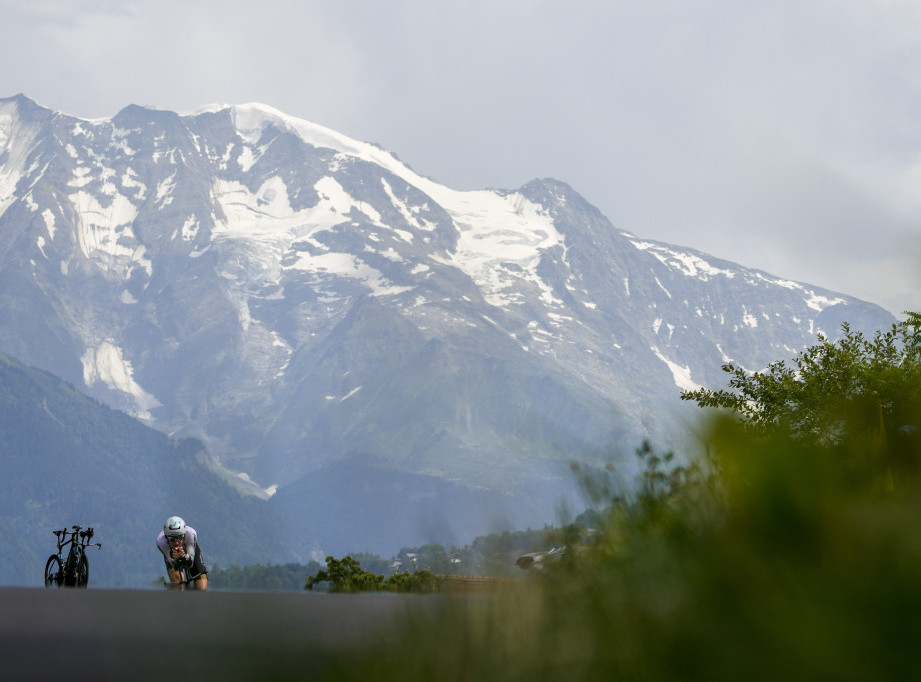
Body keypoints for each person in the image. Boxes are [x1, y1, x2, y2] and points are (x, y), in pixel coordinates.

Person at [156, 516, 209, 590]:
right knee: (178, 581)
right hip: (170, 552)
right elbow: (172, 562)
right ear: (166, 537)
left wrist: (184, 557)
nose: (176, 542)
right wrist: (174, 556)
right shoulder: (161, 542)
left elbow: (190, 563)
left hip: (190, 549)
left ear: (184, 535)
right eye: (172, 538)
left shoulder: (190, 534)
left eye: (179, 537)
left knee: (201, 585)